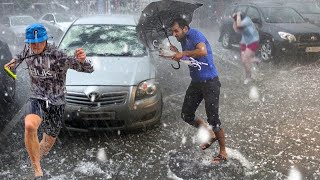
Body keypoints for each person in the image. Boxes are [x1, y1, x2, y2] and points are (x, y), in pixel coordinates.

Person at [4, 23, 94, 179]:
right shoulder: (28, 49)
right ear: (28, 42)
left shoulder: (58, 55)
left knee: (47, 143)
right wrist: (12, 64)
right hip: (37, 97)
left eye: (40, 41)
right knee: (30, 126)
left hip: (56, 102)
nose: (36, 45)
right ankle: (37, 170)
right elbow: (19, 57)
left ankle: (37, 155)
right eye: (33, 42)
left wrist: (83, 60)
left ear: (46, 40)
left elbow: (88, 69)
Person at [168, 18, 227, 164]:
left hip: (210, 82)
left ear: (185, 29)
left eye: (176, 30)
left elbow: (202, 51)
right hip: (196, 83)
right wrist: (178, 55)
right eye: (172, 32)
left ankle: (223, 152)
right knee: (186, 114)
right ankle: (210, 133)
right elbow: (191, 59)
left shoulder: (195, 35)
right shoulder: (183, 40)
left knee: (213, 119)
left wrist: (183, 53)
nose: (174, 34)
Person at [233, 12, 260, 84]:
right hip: (244, 42)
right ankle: (254, 60)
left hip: (253, 41)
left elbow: (238, 26)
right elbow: (236, 30)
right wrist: (235, 20)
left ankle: (249, 77)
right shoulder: (240, 21)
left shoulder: (246, 20)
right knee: (244, 61)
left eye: (237, 18)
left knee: (245, 59)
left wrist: (237, 15)